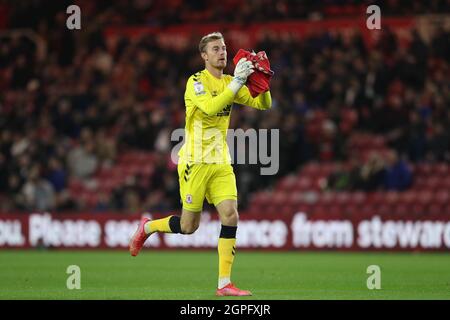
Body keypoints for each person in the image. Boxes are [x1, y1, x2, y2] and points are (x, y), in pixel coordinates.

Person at [129, 32, 272, 296]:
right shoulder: (195, 82)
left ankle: (224, 284)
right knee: (188, 227)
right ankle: (148, 227)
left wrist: (261, 82)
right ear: (204, 56)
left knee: (231, 215)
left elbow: (264, 104)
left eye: (224, 48)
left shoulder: (230, 81)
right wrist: (240, 80)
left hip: (220, 162)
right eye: (216, 49)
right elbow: (209, 107)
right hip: (195, 161)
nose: (222, 52)